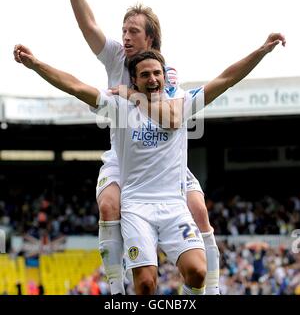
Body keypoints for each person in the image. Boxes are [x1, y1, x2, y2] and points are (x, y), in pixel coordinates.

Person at [14, 32, 285, 294]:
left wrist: (261, 51)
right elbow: (74, 86)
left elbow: (227, 79)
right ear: (134, 79)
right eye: (145, 74)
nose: (152, 79)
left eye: (157, 73)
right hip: (136, 209)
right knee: (145, 284)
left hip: (174, 207)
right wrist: (36, 64)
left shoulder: (181, 104)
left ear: (165, 76)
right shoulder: (118, 107)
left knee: (198, 272)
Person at [50, 0, 220, 294]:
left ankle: (210, 289)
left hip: (164, 161)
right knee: (109, 203)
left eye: (132, 32)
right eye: (123, 31)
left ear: (151, 39)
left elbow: (172, 117)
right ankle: (116, 291)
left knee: (200, 210)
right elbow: (88, 26)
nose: (124, 37)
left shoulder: (161, 72)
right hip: (123, 156)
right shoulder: (116, 55)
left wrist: (131, 96)